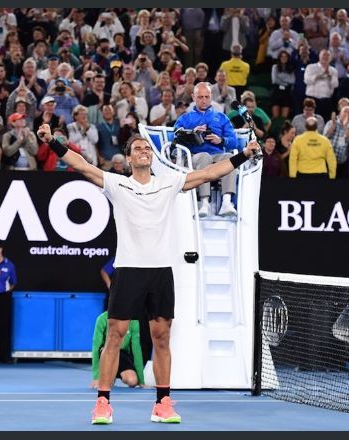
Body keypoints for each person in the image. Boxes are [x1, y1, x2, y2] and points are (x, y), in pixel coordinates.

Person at [35, 122, 259, 425]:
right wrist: (52, 142)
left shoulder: (169, 182)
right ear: (128, 158)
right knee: (115, 335)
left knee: (162, 337)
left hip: (161, 270)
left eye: (146, 148)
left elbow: (209, 173)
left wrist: (244, 154)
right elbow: (82, 165)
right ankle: (103, 403)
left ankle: (163, 402)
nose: (143, 150)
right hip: (128, 269)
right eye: (137, 148)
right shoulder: (117, 183)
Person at [174, 82, 239, 218]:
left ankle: (226, 202)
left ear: (211, 96)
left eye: (206, 97)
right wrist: (192, 133)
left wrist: (221, 140)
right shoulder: (185, 118)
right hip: (195, 156)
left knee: (229, 158)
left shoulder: (221, 117)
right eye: (200, 97)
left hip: (217, 155)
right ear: (193, 97)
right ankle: (204, 203)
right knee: (204, 157)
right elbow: (175, 137)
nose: (204, 100)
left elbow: (234, 142)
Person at [91, 311, 144, 389]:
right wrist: (96, 377)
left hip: (123, 355)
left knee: (132, 381)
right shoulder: (102, 318)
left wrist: (141, 381)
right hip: (107, 353)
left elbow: (137, 351)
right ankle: (108, 376)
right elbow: (96, 347)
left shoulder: (133, 321)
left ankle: (113, 375)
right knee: (107, 384)